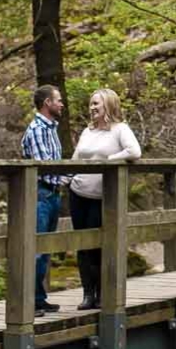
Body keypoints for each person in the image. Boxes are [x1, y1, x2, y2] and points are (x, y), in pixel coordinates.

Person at [69, 88, 141, 310]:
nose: (92, 108)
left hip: (101, 196)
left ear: (108, 105)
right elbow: (75, 158)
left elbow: (134, 152)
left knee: (98, 244)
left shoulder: (120, 129)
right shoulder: (87, 132)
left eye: (96, 104)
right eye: (90, 104)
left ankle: (101, 294)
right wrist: (65, 177)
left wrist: (110, 160)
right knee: (82, 244)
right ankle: (87, 294)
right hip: (78, 191)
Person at [21, 84, 67, 316]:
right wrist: (71, 177)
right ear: (47, 103)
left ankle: (39, 298)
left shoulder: (51, 128)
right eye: (58, 100)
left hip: (52, 193)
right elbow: (45, 166)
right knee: (36, 250)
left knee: (45, 250)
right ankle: (28, 302)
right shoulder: (38, 129)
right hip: (41, 193)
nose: (61, 104)